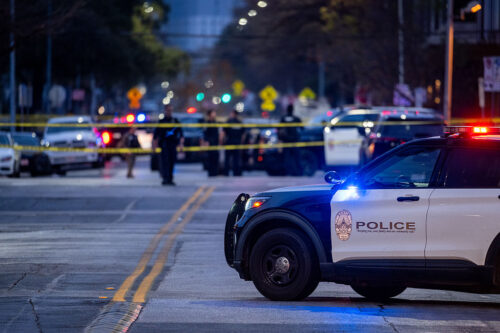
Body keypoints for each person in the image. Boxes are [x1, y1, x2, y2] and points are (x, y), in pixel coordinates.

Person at [153, 105, 184, 185]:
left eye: (171, 110)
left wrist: (181, 144)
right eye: (168, 110)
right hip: (164, 144)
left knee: (172, 162)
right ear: (165, 111)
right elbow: (156, 135)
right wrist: (154, 146)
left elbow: (181, 134)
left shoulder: (175, 121)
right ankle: (165, 178)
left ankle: (170, 179)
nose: (169, 112)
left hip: (173, 144)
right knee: (164, 162)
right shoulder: (162, 121)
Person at [278, 104, 302, 176]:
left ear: (287, 110)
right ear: (293, 110)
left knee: (286, 158)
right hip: (294, 140)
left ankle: (286, 172)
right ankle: (299, 172)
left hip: (286, 141)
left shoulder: (283, 118)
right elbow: (302, 128)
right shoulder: (296, 118)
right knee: (296, 157)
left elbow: (279, 129)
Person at [222, 110, 244, 176]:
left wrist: (222, 141)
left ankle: (226, 173)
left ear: (234, 114)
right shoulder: (239, 123)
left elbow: (223, 132)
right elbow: (243, 134)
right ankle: (236, 173)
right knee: (236, 159)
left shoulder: (228, 122)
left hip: (229, 142)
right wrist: (241, 143)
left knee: (228, 159)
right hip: (236, 143)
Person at [203, 109, 221, 177]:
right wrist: (206, 141)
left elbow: (218, 133)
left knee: (215, 157)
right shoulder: (207, 123)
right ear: (210, 114)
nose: (214, 114)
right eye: (213, 113)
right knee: (210, 158)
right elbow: (205, 133)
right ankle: (211, 173)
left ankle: (215, 172)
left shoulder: (216, 122)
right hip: (210, 142)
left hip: (215, 143)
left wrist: (219, 141)